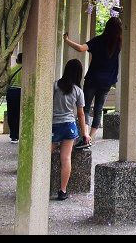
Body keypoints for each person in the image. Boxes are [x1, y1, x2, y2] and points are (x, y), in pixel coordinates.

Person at [63, 16, 122, 141]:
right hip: (106, 82)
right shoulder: (119, 43)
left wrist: (67, 40)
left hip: (92, 79)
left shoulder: (98, 40)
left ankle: (85, 134)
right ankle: (91, 137)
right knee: (98, 108)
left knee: (85, 107)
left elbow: (80, 48)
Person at [51, 58, 89, 201]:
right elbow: (81, 114)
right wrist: (85, 133)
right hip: (69, 127)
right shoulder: (78, 91)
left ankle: (38, 186)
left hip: (54, 126)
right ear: (79, 73)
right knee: (66, 158)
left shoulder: (55, 86)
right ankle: (62, 191)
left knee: (44, 156)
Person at [7, 53, 22, 143]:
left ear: (17, 60)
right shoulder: (28, 69)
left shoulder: (11, 69)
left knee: (11, 114)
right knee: (20, 114)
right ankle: (20, 133)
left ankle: (13, 135)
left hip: (11, 92)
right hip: (22, 92)